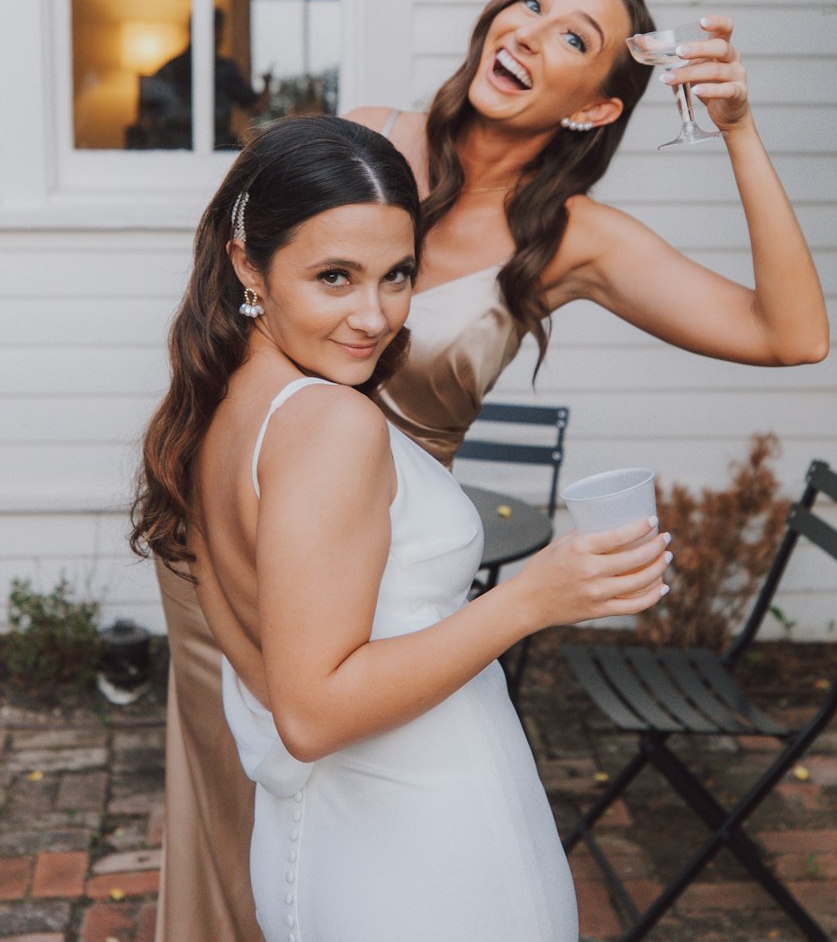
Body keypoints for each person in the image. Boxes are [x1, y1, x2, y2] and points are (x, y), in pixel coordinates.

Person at [150, 0, 829, 942]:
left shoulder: (568, 238)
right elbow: (242, 274)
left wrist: (737, 132)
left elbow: (791, 333)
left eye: (572, 38)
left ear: (596, 108)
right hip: (251, 530)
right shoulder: (372, 143)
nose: (527, 29)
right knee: (237, 823)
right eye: (531, 1)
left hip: (391, 560)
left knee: (362, 840)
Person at [131, 115, 669, 942]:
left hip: (329, 842)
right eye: (335, 277)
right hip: (423, 857)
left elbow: (273, 680)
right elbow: (311, 711)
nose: (375, 316)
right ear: (249, 261)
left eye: (398, 275)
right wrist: (531, 599)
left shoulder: (217, 404)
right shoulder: (326, 423)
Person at [136, 7, 272, 150]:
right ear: (215, 32)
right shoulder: (223, 69)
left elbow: (147, 112)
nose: (222, 37)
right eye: (219, 30)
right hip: (214, 147)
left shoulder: (171, 66)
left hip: (171, 148)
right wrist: (267, 84)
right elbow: (257, 107)